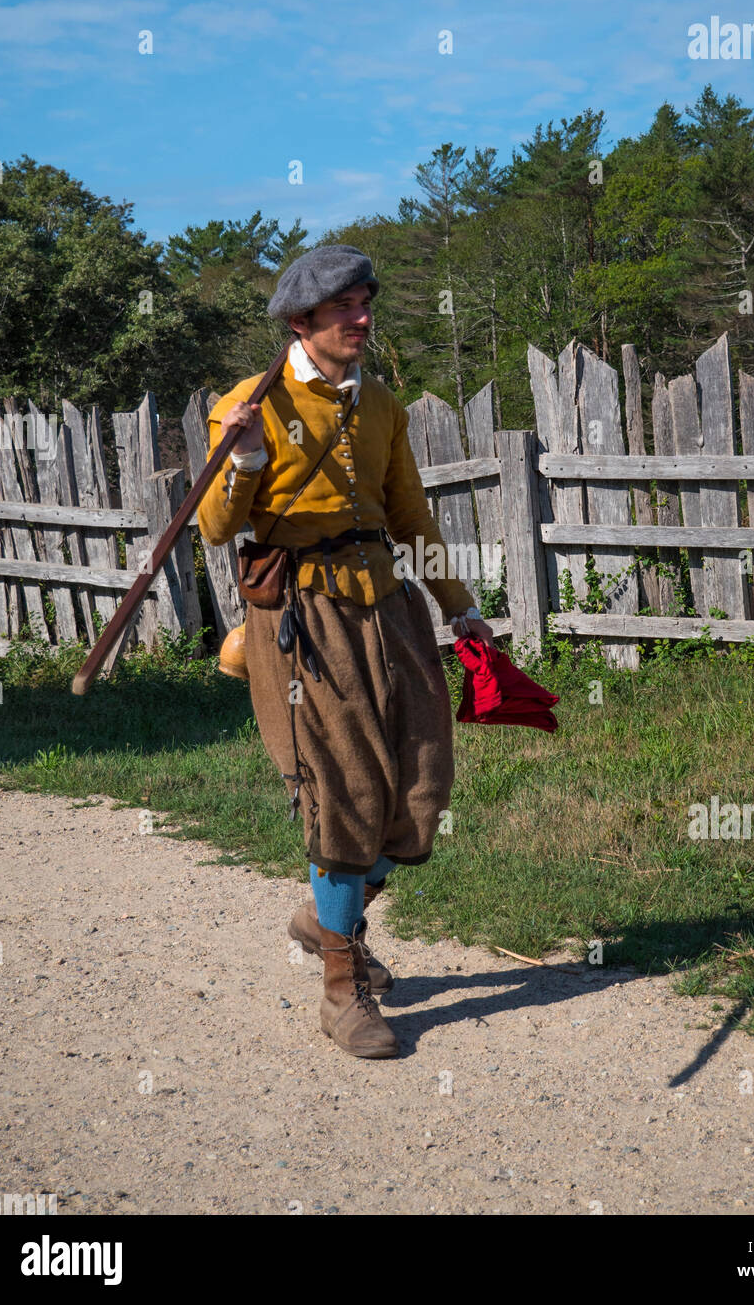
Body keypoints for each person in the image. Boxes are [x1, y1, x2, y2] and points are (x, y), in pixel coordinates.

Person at [198, 245, 494, 1059]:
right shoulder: (249, 403)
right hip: (303, 618)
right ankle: (341, 987)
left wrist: (458, 609)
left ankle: (325, 918)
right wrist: (245, 455)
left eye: (366, 305)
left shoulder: (382, 405)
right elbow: (218, 529)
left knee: (420, 785)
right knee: (344, 792)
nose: (362, 320)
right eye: (344, 310)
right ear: (302, 322)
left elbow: (412, 520)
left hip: (389, 611)